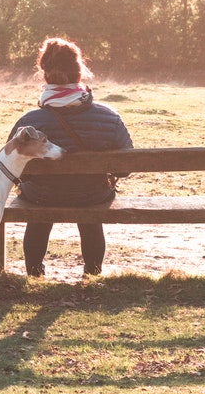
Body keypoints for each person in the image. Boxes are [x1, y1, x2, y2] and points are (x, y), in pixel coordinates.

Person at [8, 36, 132, 278]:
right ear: (79, 74)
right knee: (90, 203)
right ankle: (92, 273)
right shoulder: (110, 117)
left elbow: (12, 165)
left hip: (41, 196)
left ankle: (34, 274)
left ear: (46, 76)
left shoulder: (29, 122)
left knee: (39, 209)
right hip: (92, 194)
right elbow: (125, 167)